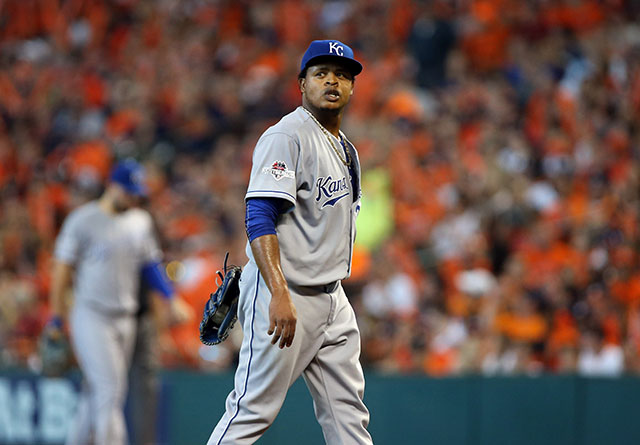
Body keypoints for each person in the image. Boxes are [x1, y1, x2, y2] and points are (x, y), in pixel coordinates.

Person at [207, 40, 373, 444]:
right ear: (302, 83)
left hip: (332, 298)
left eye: (342, 75)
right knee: (251, 411)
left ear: (352, 87)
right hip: (286, 292)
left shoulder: (345, 148)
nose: (332, 81)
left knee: (349, 417)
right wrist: (278, 292)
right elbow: (259, 214)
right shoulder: (287, 136)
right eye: (321, 73)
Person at [48, 159, 189, 445]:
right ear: (112, 186)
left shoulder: (140, 221)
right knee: (111, 389)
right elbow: (61, 271)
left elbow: (150, 264)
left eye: (136, 191)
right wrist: (56, 317)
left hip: (125, 318)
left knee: (96, 391)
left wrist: (171, 299)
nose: (133, 196)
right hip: (91, 315)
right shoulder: (83, 220)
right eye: (128, 190)